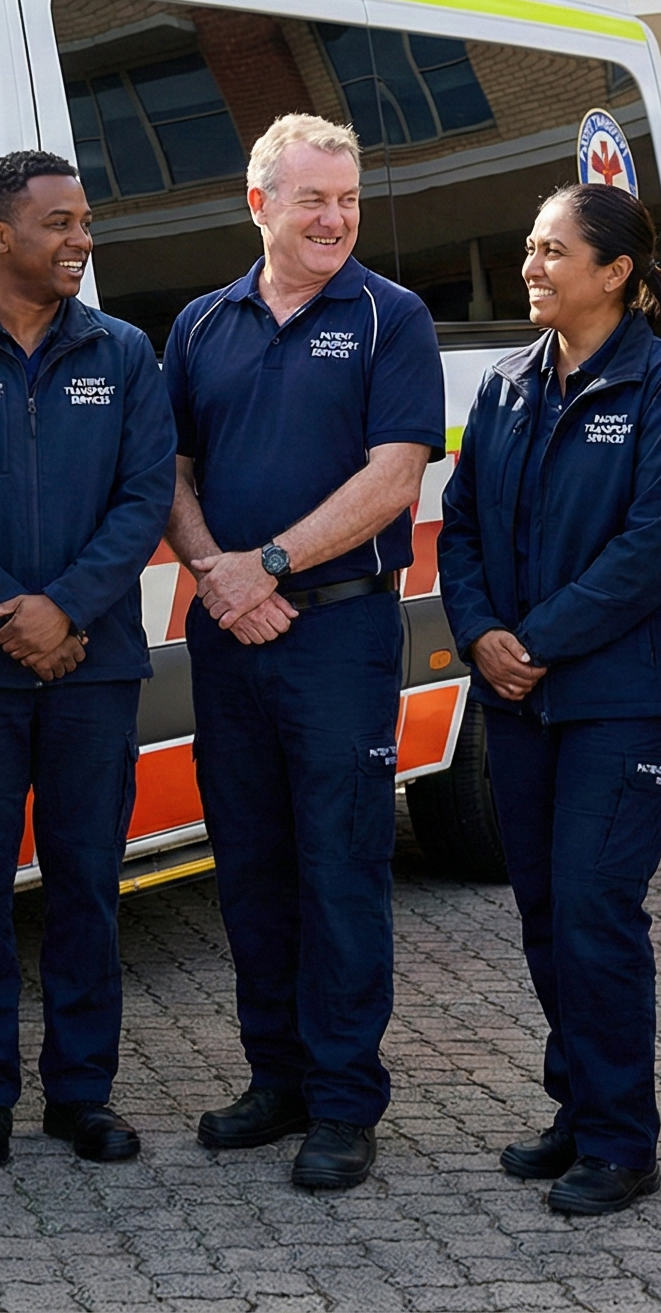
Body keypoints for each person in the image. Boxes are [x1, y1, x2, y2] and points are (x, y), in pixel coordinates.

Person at [163, 113, 445, 1191]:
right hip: (231, 631)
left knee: (340, 865)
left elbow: (396, 476)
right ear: (260, 205)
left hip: (339, 631)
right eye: (314, 199)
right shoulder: (201, 324)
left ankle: (342, 1102)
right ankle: (273, 1079)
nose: (335, 219)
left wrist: (267, 565)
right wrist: (219, 577)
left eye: (349, 200)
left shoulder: (390, 318)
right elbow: (173, 472)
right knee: (250, 863)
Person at [437, 183, 661, 1216]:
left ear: (617, 273)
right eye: (530, 248)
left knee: (599, 911)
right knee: (549, 913)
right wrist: (479, 636)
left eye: (554, 251)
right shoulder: (508, 384)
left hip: (624, 701)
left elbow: (653, 551)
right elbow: (459, 527)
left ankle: (621, 1141)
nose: (531, 266)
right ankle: (579, 1108)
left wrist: (538, 642)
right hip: (519, 698)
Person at [0, 151, 176, 1169]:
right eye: (58, 223)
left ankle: (80, 1095)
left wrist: (64, 610)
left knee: (88, 886)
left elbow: (142, 498)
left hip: (94, 668)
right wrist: (9, 615)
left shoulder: (124, 353)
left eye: (85, 220)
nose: (81, 241)